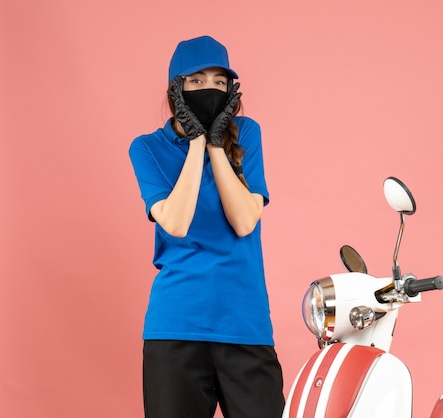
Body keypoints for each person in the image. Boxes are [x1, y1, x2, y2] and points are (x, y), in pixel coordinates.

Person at [129, 35, 285, 418]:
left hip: (244, 324)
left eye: (219, 81)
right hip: (175, 326)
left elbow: (245, 221)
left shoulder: (247, 133)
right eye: (196, 81)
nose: (209, 88)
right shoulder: (147, 148)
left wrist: (216, 144)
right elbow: (176, 223)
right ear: (176, 89)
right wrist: (196, 141)